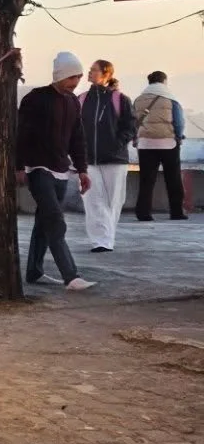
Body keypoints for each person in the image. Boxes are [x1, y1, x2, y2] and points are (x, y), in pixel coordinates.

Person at [16, 52, 96, 290]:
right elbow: (21, 133)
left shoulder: (72, 102)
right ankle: (70, 276)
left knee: (43, 222)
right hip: (38, 168)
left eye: (79, 78)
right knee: (55, 221)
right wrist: (18, 165)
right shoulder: (36, 98)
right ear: (60, 75)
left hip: (62, 170)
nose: (76, 83)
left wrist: (82, 170)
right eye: (72, 77)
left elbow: (77, 138)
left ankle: (34, 272)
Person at [78, 58, 135, 252]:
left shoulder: (120, 99)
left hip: (115, 159)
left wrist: (116, 144)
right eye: (90, 70)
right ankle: (101, 241)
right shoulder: (82, 99)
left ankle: (107, 238)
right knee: (93, 200)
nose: (90, 73)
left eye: (94, 70)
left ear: (106, 74)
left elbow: (130, 127)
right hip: (88, 160)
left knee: (113, 201)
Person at [133, 70, 189, 221]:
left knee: (146, 180)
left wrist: (136, 137)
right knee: (173, 179)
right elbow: (178, 122)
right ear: (164, 81)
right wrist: (178, 136)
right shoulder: (171, 99)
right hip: (168, 143)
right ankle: (176, 212)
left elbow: (134, 122)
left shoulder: (138, 100)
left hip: (145, 144)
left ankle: (143, 213)